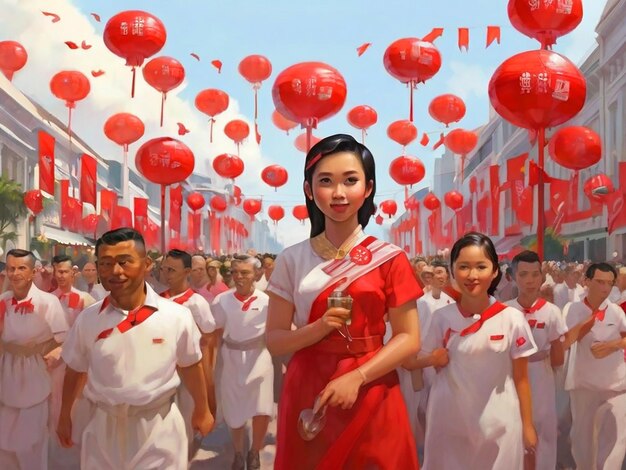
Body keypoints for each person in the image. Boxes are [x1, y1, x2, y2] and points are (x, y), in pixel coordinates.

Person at [266, 134, 421, 469]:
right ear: (309, 190)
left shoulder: (390, 258)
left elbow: (409, 338)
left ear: (367, 188)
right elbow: (275, 340)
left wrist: (359, 376)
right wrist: (319, 328)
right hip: (309, 388)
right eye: (325, 181)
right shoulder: (292, 260)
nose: (338, 193)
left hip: (374, 382)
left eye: (350, 181)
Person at [57, 228, 214, 469]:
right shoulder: (88, 319)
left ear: (147, 264)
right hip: (103, 429)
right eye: (106, 263)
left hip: (158, 429)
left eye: (124, 262)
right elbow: (76, 369)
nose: (115, 271)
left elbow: (190, 366)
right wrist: (65, 414)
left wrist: (202, 410)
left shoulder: (176, 316)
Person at [415, 232, 537, 469]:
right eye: (463, 267)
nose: (472, 275)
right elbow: (417, 361)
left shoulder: (512, 319)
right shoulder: (441, 318)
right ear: (452, 271)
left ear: (494, 271)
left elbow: (522, 379)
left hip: (500, 425)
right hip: (450, 425)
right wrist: (432, 359)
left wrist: (528, 425)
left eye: (481, 266)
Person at [0, 249, 69, 470]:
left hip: (35, 377)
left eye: (21, 268)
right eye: (11, 268)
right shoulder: (2, 301)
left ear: (32, 272)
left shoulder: (47, 302)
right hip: (5, 377)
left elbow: (65, 339)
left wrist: (52, 354)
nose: (15, 273)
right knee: (5, 445)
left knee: (32, 444)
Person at [211, 256, 273, 470]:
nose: (239, 277)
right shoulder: (221, 300)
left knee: (262, 408)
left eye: (244, 273)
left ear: (256, 275)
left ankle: (254, 451)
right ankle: (238, 452)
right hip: (232, 358)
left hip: (260, 357)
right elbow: (214, 331)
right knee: (234, 409)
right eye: (235, 272)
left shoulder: (267, 301)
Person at [562, 262, 626, 469]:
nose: (605, 288)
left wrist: (613, 345)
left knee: (615, 443)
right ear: (587, 282)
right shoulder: (572, 309)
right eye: (600, 282)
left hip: (615, 386)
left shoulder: (616, 312)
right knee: (583, 444)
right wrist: (586, 323)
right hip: (583, 386)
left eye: (609, 283)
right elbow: (565, 341)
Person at [506, 250, 566, 470]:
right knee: (514, 429)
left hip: (542, 374)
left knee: (545, 432)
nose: (530, 280)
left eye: (534, 274)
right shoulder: (505, 311)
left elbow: (558, 354)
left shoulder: (552, 312)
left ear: (542, 276)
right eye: (523, 274)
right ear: (512, 277)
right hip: (512, 375)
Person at [159, 249, 217, 454]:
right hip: (163, 369)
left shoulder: (197, 302)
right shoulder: (158, 300)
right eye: (164, 269)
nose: (166, 275)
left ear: (187, 272)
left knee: (185, 415)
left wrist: (203, 370)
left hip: (188, 369)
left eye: (172, 270)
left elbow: (208, 337)